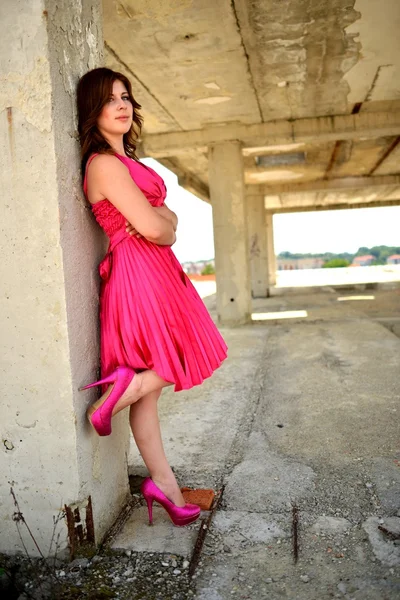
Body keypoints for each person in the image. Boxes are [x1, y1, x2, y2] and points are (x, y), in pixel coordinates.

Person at [76, 67, 228, 527]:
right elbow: (157, 228)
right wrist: (165, 220)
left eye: (126, 96)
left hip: (156, 271)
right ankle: (119, 393)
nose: (121, 105)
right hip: (139, 273)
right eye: (109, 99)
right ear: (92, 111)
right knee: (176, 356)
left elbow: (168, 222)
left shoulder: (130, 162)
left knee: (150, 397)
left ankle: (164, 485)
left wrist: (166, 221)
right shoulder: (103, 163)